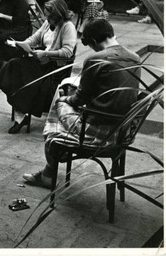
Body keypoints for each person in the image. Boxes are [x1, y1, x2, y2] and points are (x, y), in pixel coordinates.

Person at [22, 19, 140, 188]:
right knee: (66, 102)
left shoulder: (96, 59)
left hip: (96, 130)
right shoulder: (135, 58)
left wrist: (67, 98)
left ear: (92, 42)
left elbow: (80, 99)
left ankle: (52, 164)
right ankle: (55, 159)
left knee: (60, 103)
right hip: (123, 130)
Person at [0, 0, 77, 134]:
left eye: (49, 16)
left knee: (20, 75)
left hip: (54, 68)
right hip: (41, 62)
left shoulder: (67, 27)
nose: (46, 18)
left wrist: (45, 53)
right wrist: (21, 44)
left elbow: (68, 52)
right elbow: (35, 38)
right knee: (14, 65)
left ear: (57, 15)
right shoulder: (48, 24)